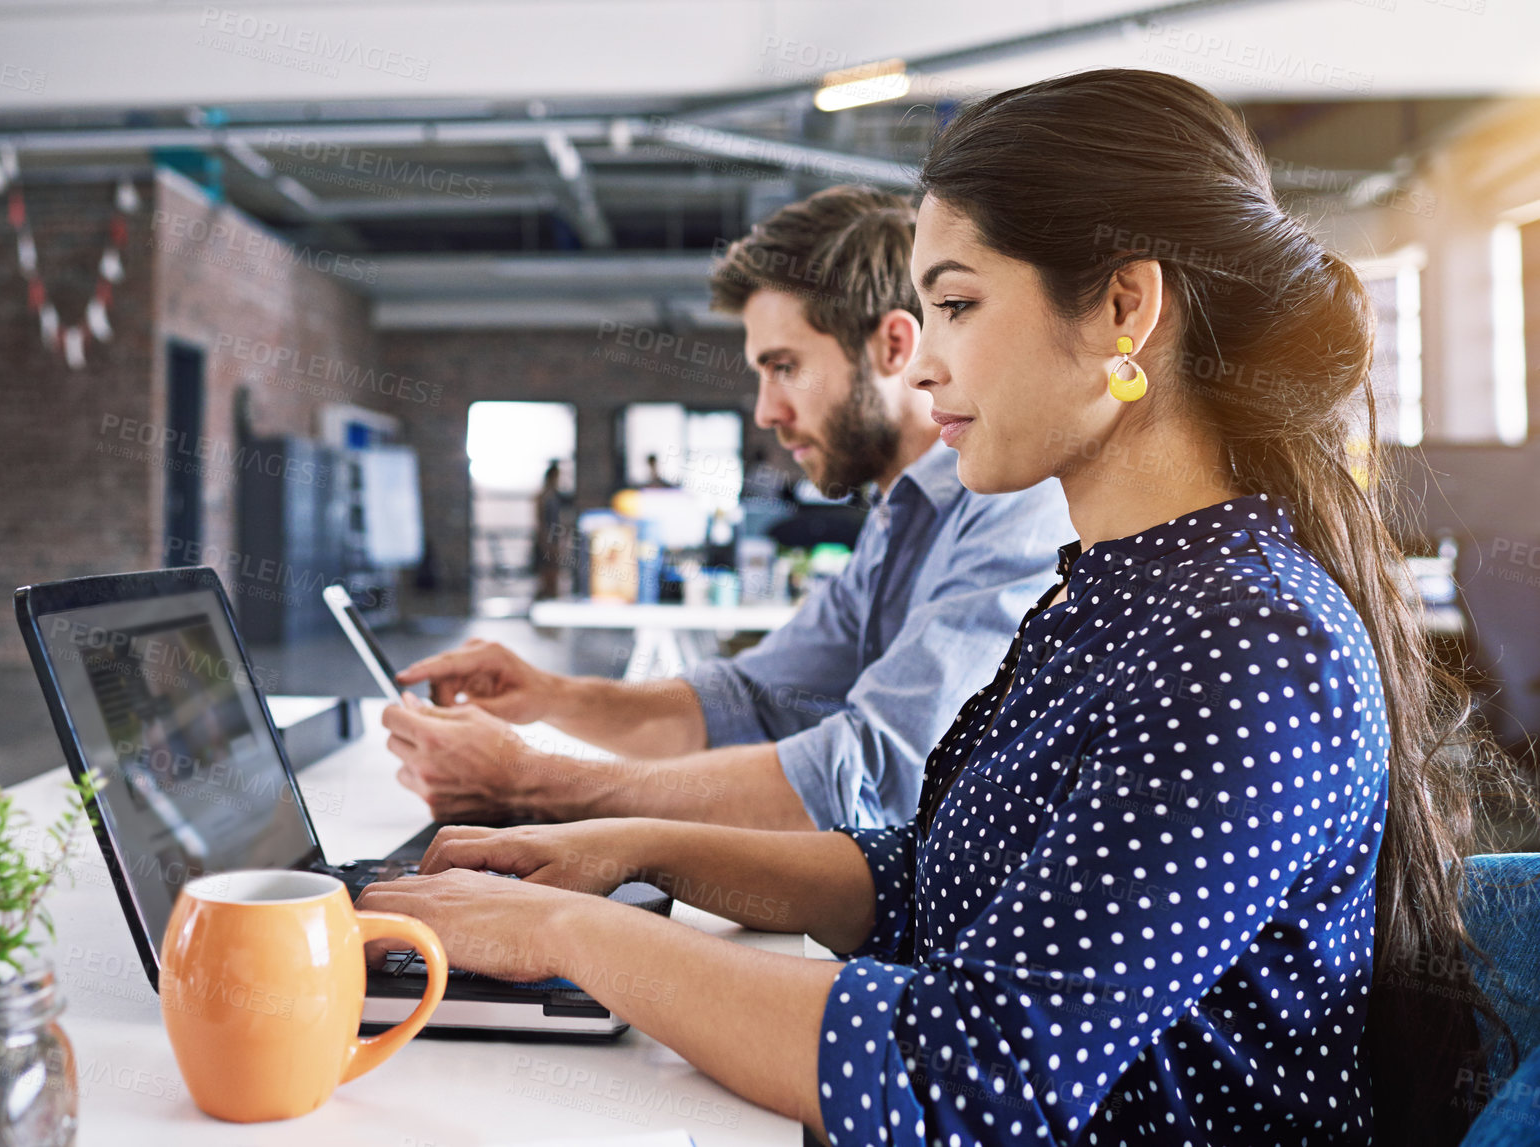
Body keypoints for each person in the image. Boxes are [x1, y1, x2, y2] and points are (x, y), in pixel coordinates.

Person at [360, 69, 1513, 1146]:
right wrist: (630, 849)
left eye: (956, 304)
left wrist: (565, 932)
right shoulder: (1117, 593)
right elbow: (929, 882)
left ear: (1123, 308)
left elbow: (965, 1073)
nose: (921, 368)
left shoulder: (1244, 643)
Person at [384, 186, 1073, 831]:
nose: (768, 411)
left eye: (784, 366)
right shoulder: (900, 517)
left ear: (893, 345)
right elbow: (746, 701)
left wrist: (532, 781)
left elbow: (875, 775)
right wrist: (550, 694)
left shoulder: (1015, 508)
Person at [533, 459, 568, 600]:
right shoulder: (544, 497)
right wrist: (545, 541)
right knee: (547, 571)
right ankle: (546, 598)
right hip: (547, 538)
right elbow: (541, 520)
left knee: (554, 571)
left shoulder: (554, 497)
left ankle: (551, 597)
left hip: (553, 538)